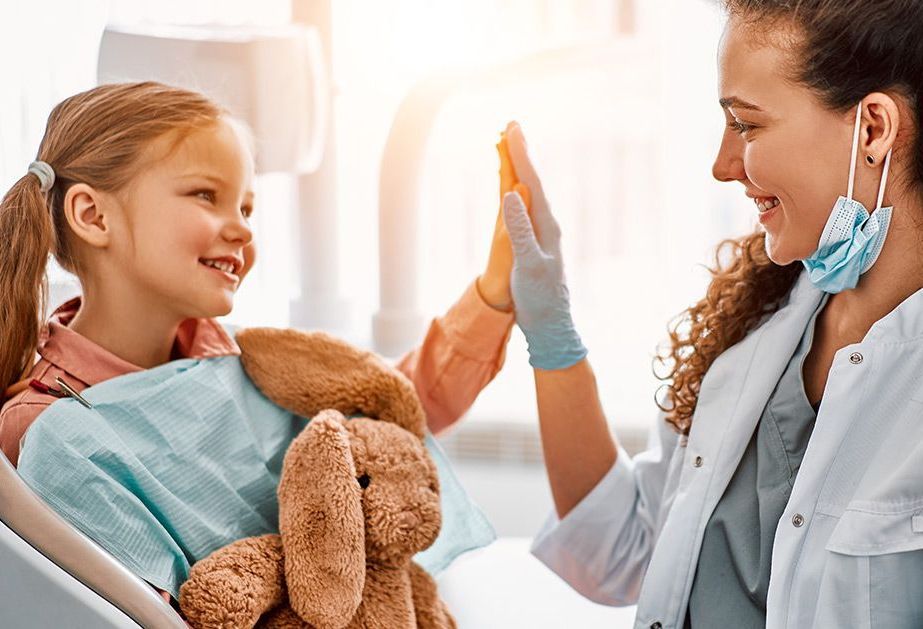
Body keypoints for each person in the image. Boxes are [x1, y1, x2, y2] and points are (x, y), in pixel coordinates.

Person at [0, 81, 519, 610]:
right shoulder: (49, 432)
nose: (244, 231)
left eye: (247, 209)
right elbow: (137, 612)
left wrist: (497, 288)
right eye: (206, 195)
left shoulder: (249, 363)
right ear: (93, 216)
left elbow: (394, 407)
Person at [498, 1, 923, 627]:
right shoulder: (760, 323)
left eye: (746, 126)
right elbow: (627, 551)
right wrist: (551, 334)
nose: (723, 166)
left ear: (872, 129)